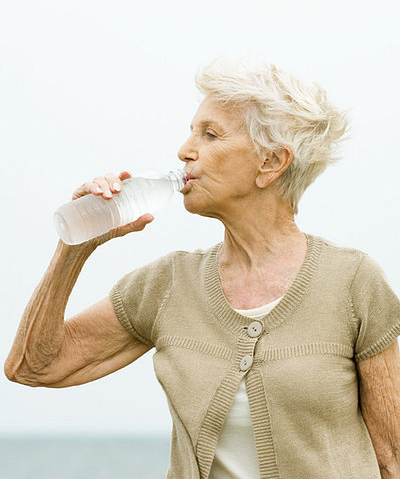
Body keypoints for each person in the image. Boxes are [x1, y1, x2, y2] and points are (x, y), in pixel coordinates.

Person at [4, 56, 400, 479]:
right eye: (192, 131)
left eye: (210, 134)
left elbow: (392, 456)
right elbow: (33, 366)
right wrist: (74, 247)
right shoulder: (168, 284)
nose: (184, 150)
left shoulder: (353, 283)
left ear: (271, 163)